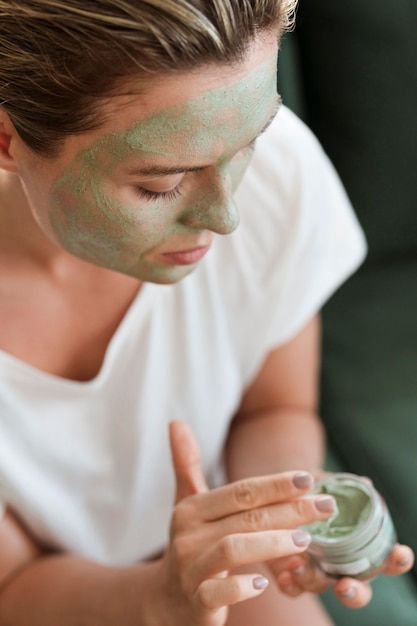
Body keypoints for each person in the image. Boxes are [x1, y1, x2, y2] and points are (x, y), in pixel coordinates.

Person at [0, 1, 412, 625]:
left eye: (251, 144)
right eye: (161, 185)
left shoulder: (279, 178)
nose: (227, 218)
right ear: (7, 139)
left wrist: (281, 522)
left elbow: (273, 407)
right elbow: (14, 584)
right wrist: (158, 600)